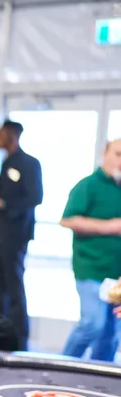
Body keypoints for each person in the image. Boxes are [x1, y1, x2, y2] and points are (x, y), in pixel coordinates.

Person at [0, 120, 43, 351]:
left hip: (14, 236)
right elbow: (0, 201)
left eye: (0, 133)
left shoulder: (29, 163)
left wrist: (3, 204)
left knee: (14, 287)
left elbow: (34, 197)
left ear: (11, 135)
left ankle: (19, 340)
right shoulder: (6, 163)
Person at [60, 139, 121, 362]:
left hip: (117, 275)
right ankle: (60, 366)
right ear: (105, 154)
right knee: (92, 323)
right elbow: (67, 220)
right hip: (91, 267)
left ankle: (98, 380)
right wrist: (109, 227)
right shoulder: (88, 185)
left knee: (111, 333)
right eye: (117, 154)